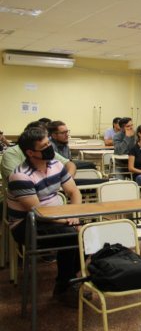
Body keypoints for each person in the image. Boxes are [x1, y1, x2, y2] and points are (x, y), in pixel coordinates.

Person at [7, 126, 84, 307]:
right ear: (30, 152)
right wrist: (69, 221)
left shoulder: (55, 165)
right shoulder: (20, 176)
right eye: (44, 146)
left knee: (87, 233)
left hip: (56, 217)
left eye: (49, 143)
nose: (50, 148)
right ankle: (65, 287)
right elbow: (39, 212)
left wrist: (74, 215)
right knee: (72, 236)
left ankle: (65, 283)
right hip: (27, 224)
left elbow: (74, 192)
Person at [1, 122, 76, 191]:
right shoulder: (11, 153)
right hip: (25, 195)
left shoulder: (45, 149)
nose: (47, 142)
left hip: (51, 189)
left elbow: (69, 164)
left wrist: (67, 178)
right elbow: (18, 183)